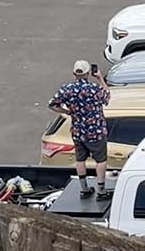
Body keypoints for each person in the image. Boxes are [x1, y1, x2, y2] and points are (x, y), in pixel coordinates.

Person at [48, 60, 112, 198]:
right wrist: (100, 78)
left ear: (74, 73)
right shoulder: (95, 88)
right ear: (88, 73)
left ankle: (84, 189)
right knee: (100, 161)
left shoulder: (67, 89)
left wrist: (67, 112)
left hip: (78, 131)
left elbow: (52, 104)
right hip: (96, 132)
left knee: (80, 160)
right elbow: (107, 98)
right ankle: (101, 190)